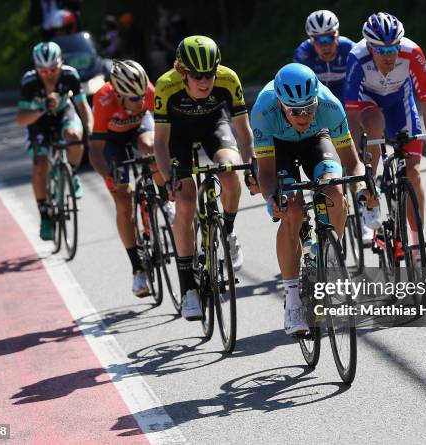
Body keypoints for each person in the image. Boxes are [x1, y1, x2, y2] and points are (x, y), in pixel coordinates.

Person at [251, 63, 363, 335]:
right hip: (280, 147)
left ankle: (327, 258)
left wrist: (361, 190)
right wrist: (272, 199)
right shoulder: (264, 112)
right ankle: (292, 300)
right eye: (296, 111)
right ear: (281, 104)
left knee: (335, 191)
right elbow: (265, 172)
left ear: (316, 100)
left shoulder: (329, 107)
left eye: (309, 108)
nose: (303, 116)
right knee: (291, 209)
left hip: (317, 140)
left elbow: (353, 163)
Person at [153, 36, 255, 320]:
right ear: (181, 71)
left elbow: (243, 131)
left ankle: (229, 231)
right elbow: (159, 143)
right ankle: (188, 288)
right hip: (178, 138)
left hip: (214, 127)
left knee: (231, 171)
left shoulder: (228, 79)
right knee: (185, 202)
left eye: (210, 74)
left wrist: (249, 168)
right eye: (198, 75)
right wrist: (167, 178)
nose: (205, 81)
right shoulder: (166, 85)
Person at [343, 12, 426, 252]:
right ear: (370, 48)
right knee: (374, 123)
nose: (389, 56)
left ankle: (416, 246)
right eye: (382, 51)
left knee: (413, 174)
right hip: (367, 104)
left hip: (399, 103)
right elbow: (350, 116)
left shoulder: (412, 53)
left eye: (393, 48)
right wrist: (357, 163)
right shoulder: (356, 58)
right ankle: (370, 193)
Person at [88, 60, 172, 298]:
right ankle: (137, 268)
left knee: (150, 146)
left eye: (141, 95)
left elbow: (166, 132)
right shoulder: (103, 99)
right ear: (118, 93)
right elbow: (95, 150)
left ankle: (165, 201)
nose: (139, 101)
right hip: (113, 143)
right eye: (133, 98)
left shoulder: (148, 92)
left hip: (140, 129)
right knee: (124, 202)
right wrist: (108, 174)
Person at [17, 41, 93, 241]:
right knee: (40, 164)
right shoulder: (29, 82)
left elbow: (83, 107)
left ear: (61, 63)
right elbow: (21, 119)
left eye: (53, 68)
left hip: (63, 116)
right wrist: (42, 108)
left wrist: (92, 130)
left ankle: (72, 172)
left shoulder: (70, 75)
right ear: (36, 69)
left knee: (76, 137)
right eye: (43, 71)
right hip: (38, 121)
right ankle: (45, 216)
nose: (49, 74)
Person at [293, 10, 355, 102]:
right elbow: (299, 89)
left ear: (337, 35)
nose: (325, 46)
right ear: (311, 40)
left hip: (344, 98)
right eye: (319, 40)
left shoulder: (350, 49)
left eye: (329, 38)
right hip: (317, 100)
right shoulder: (303, 54)